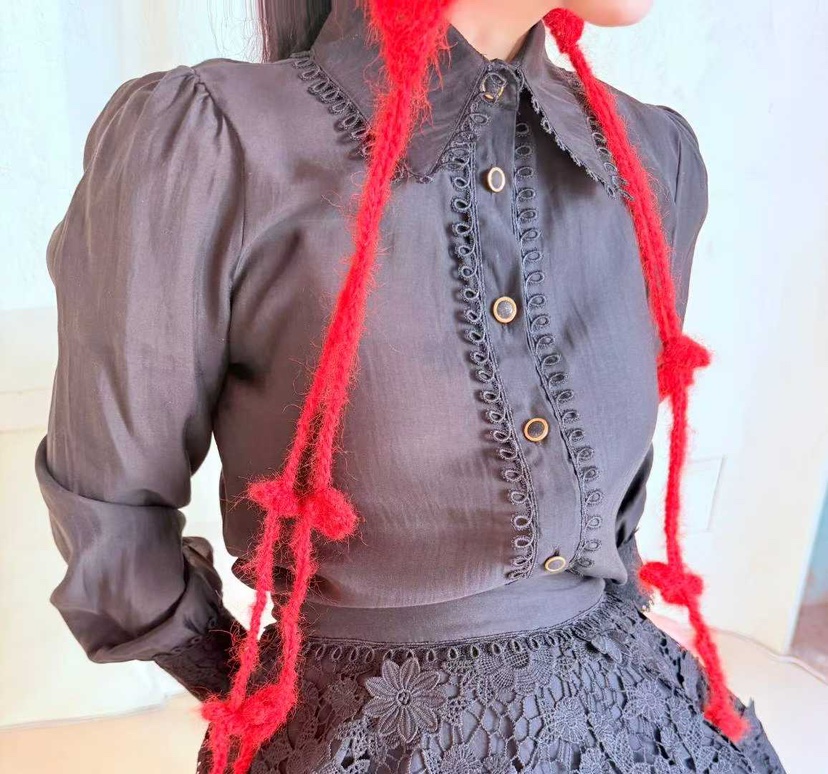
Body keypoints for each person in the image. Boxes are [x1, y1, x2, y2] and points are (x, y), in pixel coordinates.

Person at [35, 0, 786, 771]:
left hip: (654, 724)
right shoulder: (211, 142)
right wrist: (277, 699)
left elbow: (613, 538)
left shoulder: (652, 155)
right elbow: (113, 526)